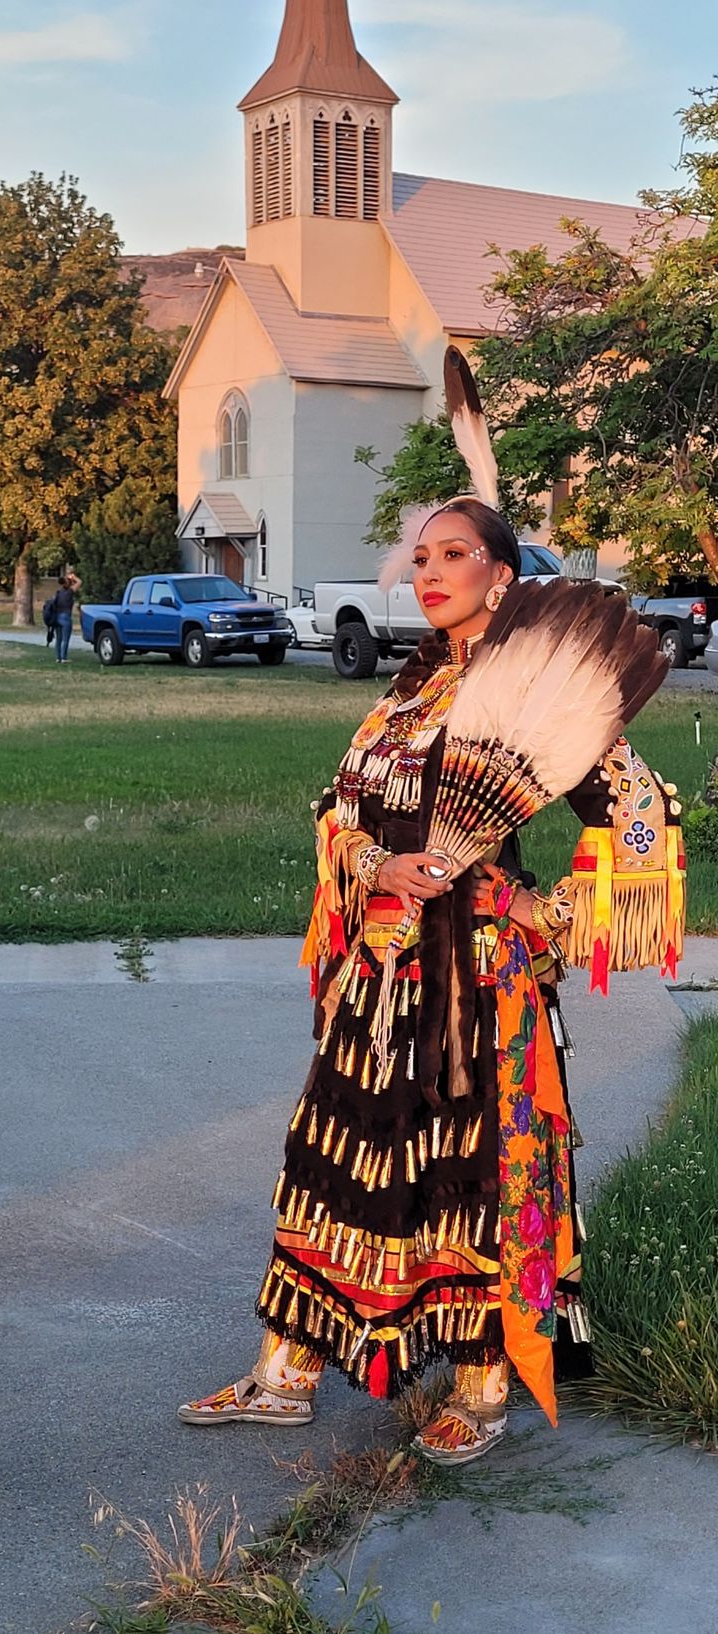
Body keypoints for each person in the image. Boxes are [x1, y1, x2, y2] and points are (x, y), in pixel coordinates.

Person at [178, 353, 685, 1464]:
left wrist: (542, 922)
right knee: (335, 1148)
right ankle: (288, 1366)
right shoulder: (404, 697)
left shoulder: (540, 690)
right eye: (420, 555)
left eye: (454, 552)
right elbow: (336, 802)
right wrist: (368, 861)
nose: (429, 569)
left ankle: (481, 1380)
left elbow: (640, 814)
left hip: (476, 976)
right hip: (382, 963)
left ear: (503, 575)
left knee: (467, 1164)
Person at [53, 571, 81, 663]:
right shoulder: (70, 592)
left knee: (58, 639)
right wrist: (73, 577)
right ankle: (64, 657)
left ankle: (58, 657)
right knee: (65, 639)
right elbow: (79, 582)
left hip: (57, 616)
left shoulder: (58, 592)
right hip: (65, 616)